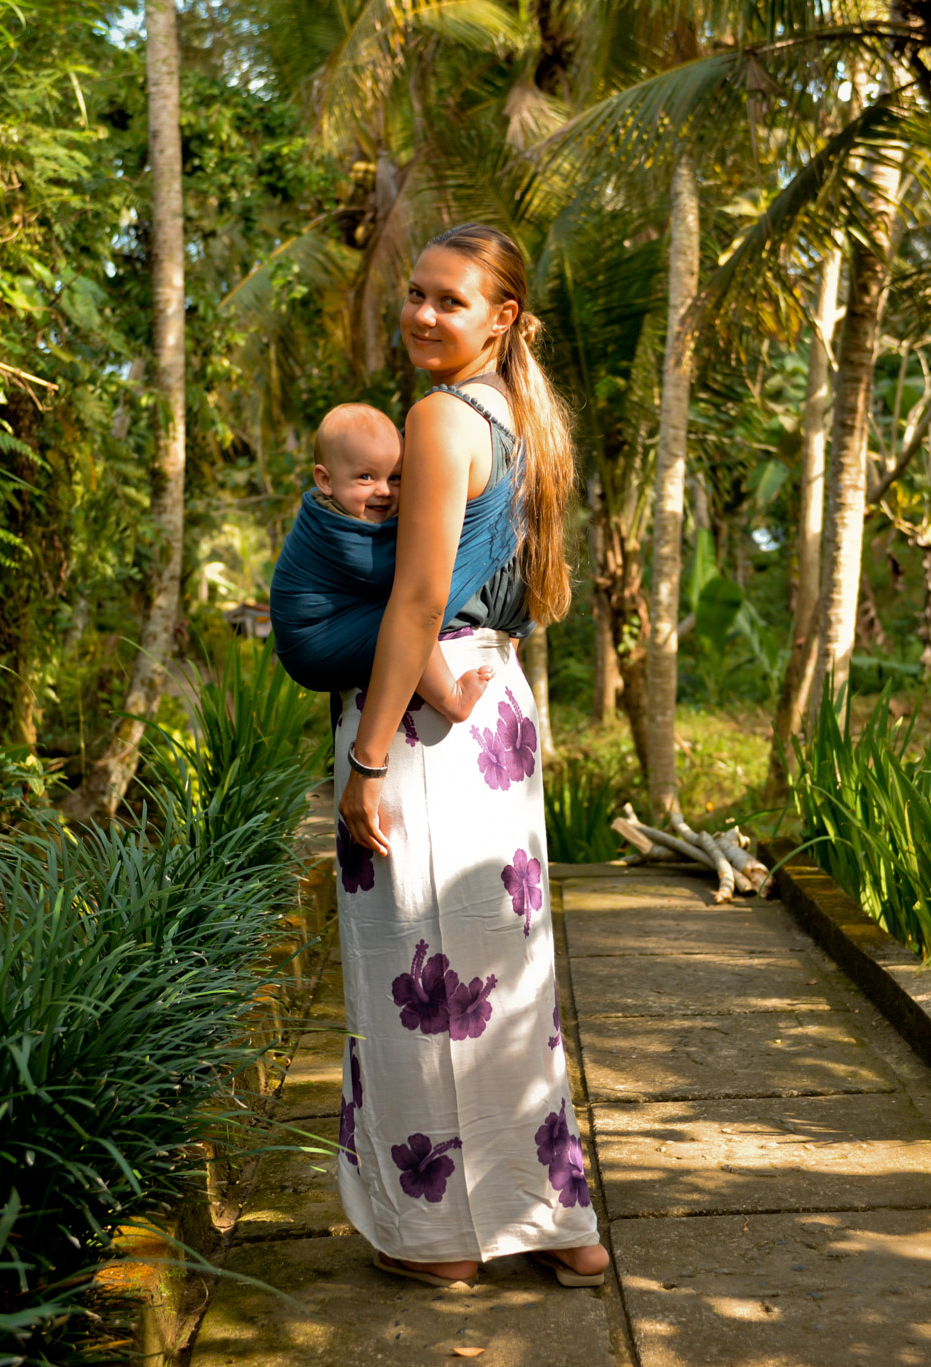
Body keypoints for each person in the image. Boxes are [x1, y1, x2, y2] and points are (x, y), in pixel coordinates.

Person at [329, 223, 609, 1290]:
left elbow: (413, 598)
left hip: (428, 719)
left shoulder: (441, 416)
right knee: (507, 980)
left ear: (498, 317)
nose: (419, 312)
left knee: (419, 967)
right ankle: (556, 1223)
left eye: (448, 299)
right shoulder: (523, 416)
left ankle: (441, 1242)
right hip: (496, 710)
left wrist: (362, 760)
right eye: (414, 292)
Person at [305, 402, 496, 725]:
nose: (384, 491)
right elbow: (406, 587)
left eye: (395, 478)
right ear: (325, 481)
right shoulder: (333, 529)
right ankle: (452, 699)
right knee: (409, 615)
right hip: (316, 634)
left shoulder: (347, 511)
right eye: (366, 477)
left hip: (333, 651)